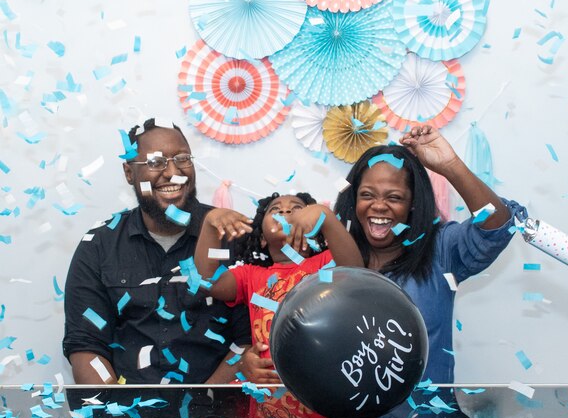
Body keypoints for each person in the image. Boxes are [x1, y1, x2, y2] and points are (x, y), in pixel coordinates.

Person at [62, 118, 251, 384]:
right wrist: (112, 413)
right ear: (129, 173)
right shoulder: (99, 245)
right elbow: (86, 345)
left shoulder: (234, 238)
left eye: (182, 158)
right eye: (154, 162)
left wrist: (204, 406)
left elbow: (249, 341)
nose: (173, 172)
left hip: (218, 415)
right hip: (130, 416)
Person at [334, 125, 526, 383]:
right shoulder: (331, 256)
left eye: (394, 197)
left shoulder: (440, 248)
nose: (378, 206)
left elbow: (498, 225)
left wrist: (451, 165)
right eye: (367, 195)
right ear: (354, 198)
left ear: (413, 203)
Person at [194, 192, 363, 386]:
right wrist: (209, 226)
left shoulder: (327, 263)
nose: (285, 210)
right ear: (263, 239)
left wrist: (326, 216)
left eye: (297, 208)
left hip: (320, 397)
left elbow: (355, 275)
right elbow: (208, 283)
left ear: (314, 228)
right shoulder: (250, 275)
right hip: (267, 401)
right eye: (275, 209)